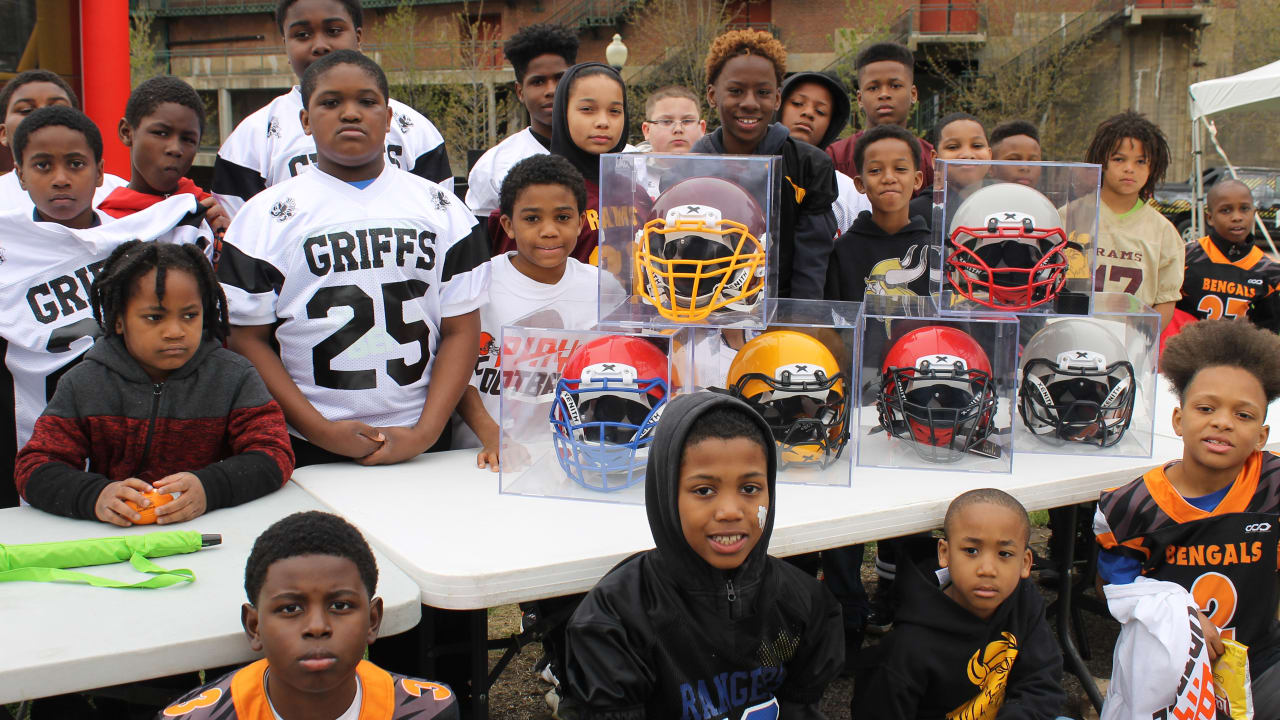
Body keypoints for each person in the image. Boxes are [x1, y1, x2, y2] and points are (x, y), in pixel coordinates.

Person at [218, 50, 485, 468]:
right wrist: (318, 429)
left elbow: (461, 328)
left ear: (389, 116)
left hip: (421, 435)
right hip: (306, 441)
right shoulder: (264, 217)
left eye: (366, 101)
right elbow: (247, 339)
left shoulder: (443, 209)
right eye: (330, 102)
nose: (350, 113)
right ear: (305, 120)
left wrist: (425, 432)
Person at [561, 392, 844, 719]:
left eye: (750, 489)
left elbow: (800, 707)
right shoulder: (618, 619)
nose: (729, 511)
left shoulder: (803, 605)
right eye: (704, 491)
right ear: (667, 492)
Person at [0, 106, 212, 508]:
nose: (61, 178)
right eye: (42, 165)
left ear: (99, 173)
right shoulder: (6, 246)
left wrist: (201, 212)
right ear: (20, 174)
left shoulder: (143, 235)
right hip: (52, 439)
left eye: (75, 164)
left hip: (141, 425)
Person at [15, 241, 293, 525]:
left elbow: (274, 452)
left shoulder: (233, 376)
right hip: (115, 540)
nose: (175, 331)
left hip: (211, 534)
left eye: (189, 315)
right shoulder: (84, 382)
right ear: (119, 320)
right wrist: (95, 495)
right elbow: (34, 466)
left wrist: (210, 488)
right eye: (154, 317)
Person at [1095, 319, 1280, 714]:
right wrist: (1181, 617)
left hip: (1259, 662)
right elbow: (1113, 590)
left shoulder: (1273, 486)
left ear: (1262, 437)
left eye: (1244, 415)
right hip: (1170, 671)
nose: (1223, 422)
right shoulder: (1131, 506)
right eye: (1206, 408)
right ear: (1179, 419)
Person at [158, 510, 460, 720]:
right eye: (290, 609)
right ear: (254, 627)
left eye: (340, 606)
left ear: (372, 620)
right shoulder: (201, 717)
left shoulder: (422, 710)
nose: (317, 627)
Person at [212, 0, 451, 219]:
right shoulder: (251, 138)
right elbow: (243, 236)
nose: (320, 45)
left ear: (358, 37)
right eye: (302, 35)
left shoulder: (413, 130)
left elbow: (442, 220)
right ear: (285, 43)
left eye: (334, 31)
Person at [852, 489, 1067, 719]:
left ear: (1025, 563)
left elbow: (1041, 684)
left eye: (1004, 554)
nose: (987, 569)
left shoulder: (1023, 600)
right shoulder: (906, 650)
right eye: (971, 551)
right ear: (944, 553)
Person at [453, 154, 600, 467]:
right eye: (532, 219)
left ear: (581, 222)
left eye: (562, 218)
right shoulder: (478, 284)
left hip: (566, 458)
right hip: (477, 457)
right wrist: (492, 436)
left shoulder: (603, 288)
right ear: (507, 224)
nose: (548, 230)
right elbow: (455, 376)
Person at [693, 29, 838, 300]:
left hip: (781, 312)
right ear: (712, 95)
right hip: (706, 310)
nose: (750, 103)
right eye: (736, 91)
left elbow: (811, 264)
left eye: (762, 92)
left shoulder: (809, 166)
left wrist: (797, 325)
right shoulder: (691, 167)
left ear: (777, 98)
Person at [488, 62, 632, 265]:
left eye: (615, 111)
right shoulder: (537, 190)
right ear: (563, 112)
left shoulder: (635, 192)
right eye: (587, 109)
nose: (603, 121)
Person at [1081, 110, 1182, 328]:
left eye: (1140, 161)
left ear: (1153, 168)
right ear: (1102, 161)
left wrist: (1139, 342)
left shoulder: (1163, 231)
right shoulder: (1070, 215)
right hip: (1072, 339)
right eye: (1119, 159)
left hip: (1128, 350)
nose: (1129, 168)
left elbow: (1165, 301)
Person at [464, 22, 578, 217]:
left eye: (560, 78)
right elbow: (484, 243)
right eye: (538, 81)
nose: (551, 90)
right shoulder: (493, 166)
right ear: (520, 91)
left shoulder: (618, 158)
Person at [99, 75, 228, 238]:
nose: (175, 149)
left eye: (188, 139)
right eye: (160, 133)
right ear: (127, 132)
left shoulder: (210, 212)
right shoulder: (104, 225)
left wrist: (224, 245)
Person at [826, 124, 930, 300]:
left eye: (900, 169)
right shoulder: (842, 251)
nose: (889, 178)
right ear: (860, 184)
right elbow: (831, 322)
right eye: (875, 170)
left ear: (917, 179)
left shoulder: (936, 250)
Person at [0, 69, 126, 211]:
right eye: (26, 110)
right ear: (3, 133)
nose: (45, 116)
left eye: (58, 108)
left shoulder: (118, 194)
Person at [824, 42, 935, 198]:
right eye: (873, 88)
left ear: (913, 94)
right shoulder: (835, 157)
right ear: (860, 98)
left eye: (895, 86)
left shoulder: (931, 159)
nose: (884, 94)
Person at [1173, 178, 1280, 332]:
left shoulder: (1269, 271)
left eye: (1244, 209)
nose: (1237, 217)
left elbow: (1267, 333)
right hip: (1185, 350)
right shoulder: (1186, 255)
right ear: (1210, 218)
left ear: (1254, 212)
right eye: (1226, 210)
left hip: (1237, 354)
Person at [777, 70, 869, 236]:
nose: (808, 113)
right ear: (778, 104)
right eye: (797, 103)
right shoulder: (753, 174)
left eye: (820, 111)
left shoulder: (848, 193)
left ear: (831, 125)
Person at [907, 112, 991, 232]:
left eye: (977, 145)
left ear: (990, 155)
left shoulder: (1005, 205)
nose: (967, 155)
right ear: (935, 160)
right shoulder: (916, 214)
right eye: (953, 147)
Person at [641, 85, 706, 154]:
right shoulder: (631, 163)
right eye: (666, 122)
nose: (678, 129)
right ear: (647, 130)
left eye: (687, 121)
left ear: (702, 128)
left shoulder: (717, 164)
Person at [989, 119, 1042, 188]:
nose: (1025, 168)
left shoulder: (1045, 199)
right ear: (991, 167)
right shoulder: (977, 198)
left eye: (1033, 161)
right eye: (1014, 159)